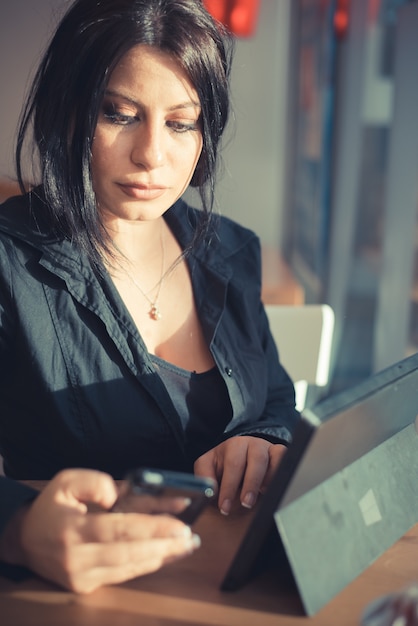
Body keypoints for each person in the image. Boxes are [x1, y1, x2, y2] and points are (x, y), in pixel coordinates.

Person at [0, 0, 299, 592]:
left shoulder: (230, 252)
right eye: (118, 114)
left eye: (181, 122)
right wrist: (17, 528)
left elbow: (276, 399)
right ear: (69, 111)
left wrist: (265, 442)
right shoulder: (11, 263)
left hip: (231, 587)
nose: (152, 155)